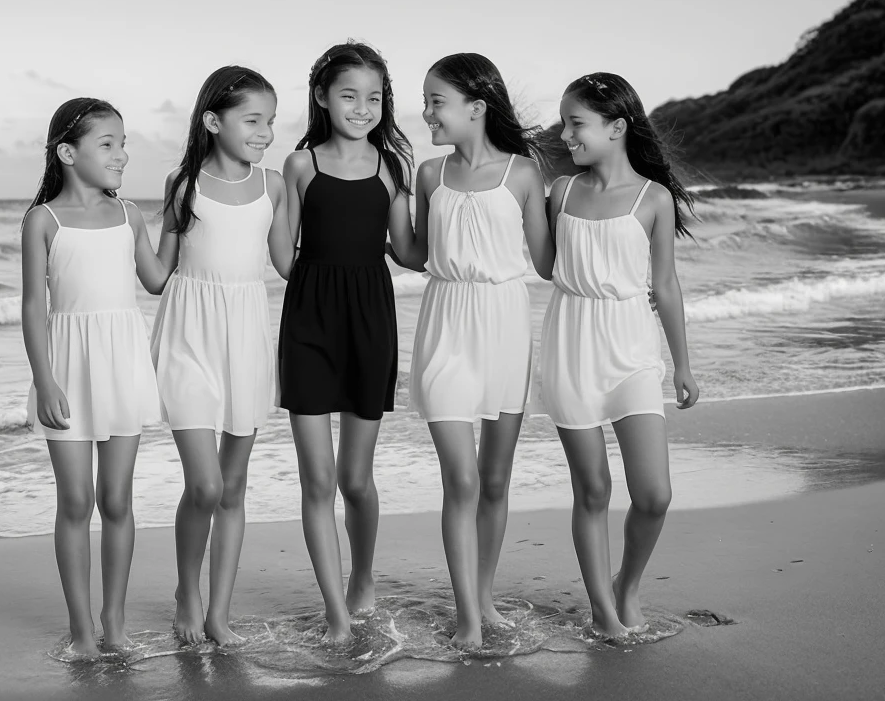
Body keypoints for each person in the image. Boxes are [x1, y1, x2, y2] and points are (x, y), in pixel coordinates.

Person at [539, 72, 699, 637]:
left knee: (654, 495)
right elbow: (542, 265)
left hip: (632, 349)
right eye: (564, 122)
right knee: (594, 490)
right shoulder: (560, 191)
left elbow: (667, 287)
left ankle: (625, 586)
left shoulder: (652, 198)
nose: (566, 134)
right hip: (570, 346)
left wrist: (682, 365)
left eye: (576, 123)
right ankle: (603, 612)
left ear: (616, 127)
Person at [406, 53, 553, 648]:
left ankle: (484, 598)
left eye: (437, 101)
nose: (427, 112)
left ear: (476, 107)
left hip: (505, 325)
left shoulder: (523, 175)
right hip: (444, 323)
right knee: (461, 478)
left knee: (494, 478)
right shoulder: (427, 175)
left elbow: (546, 263)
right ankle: (466, 614)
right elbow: (414, 253)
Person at [149, 66, 294, 646]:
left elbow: (289, 264)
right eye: (251, 120)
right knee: (205, 485)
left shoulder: (275, 185)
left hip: (246, 338)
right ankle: (188, 589)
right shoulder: (183, 183)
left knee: (232, 488)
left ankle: (219, 614)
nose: (264, 132)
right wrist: (116, 233)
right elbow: (159, 274)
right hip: (188, 334)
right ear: (214, 121)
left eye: (270, 122)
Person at [278, 41, 416, 644]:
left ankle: (362, 578)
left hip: (371, 320)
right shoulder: (299, 165)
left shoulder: (393, 168)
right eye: (349, 95)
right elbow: (284, 255)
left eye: (374, 98)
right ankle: (336, 612)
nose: (362, 108)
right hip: (308, 319)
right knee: (317, 480)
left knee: (355, 479)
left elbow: (410, 251)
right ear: (321, 98)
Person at [22, 98, 170, 656]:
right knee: (76, 501)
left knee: (117, 500)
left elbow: (155, 279)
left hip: (123, 364)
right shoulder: (44, 220)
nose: (122, 154)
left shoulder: (130, 215)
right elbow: (34, 308)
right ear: (68, 152)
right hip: (67, 368)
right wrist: (46, 381)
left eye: (122, 142)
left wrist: (178, 220)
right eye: (107, 143)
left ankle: (115, 623)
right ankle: (81, 630)